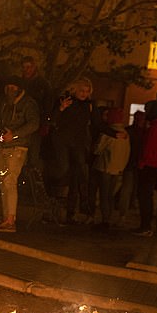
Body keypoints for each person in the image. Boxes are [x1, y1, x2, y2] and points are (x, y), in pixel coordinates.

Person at [49, 77, 125, 225]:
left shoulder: (90, 106)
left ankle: (71, 213)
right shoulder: (65, 100)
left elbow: (98, 124)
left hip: (78, 144)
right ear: (75, 90)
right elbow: (52, 120)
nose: (84, 94)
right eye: (81, 90)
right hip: (63, 141)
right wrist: (61, 109)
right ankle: (54, 196)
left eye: (87, 91)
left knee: (77, 178)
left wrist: (114, 134)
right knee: (63, 169)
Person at [0, 75, 40, 232]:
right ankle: (6, 217)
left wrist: (15, 134)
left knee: (9, 182)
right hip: (4, 146)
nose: (10, 90)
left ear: (19, 89)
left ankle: (10, 220)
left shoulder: (28, 104)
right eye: (8, 88)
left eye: (13, 88)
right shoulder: (6, 103)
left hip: (17, 148)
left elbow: (34, 124)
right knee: (3, 182)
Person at [132, 100, 157, 236]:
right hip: (156, 165)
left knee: (144, 196)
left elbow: (149, 147)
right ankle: (145, 225)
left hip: (149, 165)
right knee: (146, 195)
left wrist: (142, 162)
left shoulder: (155, 127)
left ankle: (145, 226)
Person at [89, 107, 130, 231]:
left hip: (105, 167)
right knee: (110, 195)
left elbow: (97, 150)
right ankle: (109, 218)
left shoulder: (108, 133)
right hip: (117, 169)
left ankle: (105, 220)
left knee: (104, 195)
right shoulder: (126, 134)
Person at [20, 56, 53, 175]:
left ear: (34, 67)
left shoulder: (43, 84)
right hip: (21, 122)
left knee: (33, 153)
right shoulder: (20, 83)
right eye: (24, 67)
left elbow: (48, 104)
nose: (26, 70)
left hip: (36, 123)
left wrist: (45, 123)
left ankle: (32, 181)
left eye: (29, 67)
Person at [117, 110, 146, 224]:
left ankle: (123, 213)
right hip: (137, 164)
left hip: (130, 163)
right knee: (131, 189)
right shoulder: (144, 132)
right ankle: (127, 211)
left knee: (127, 189)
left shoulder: (129, 131)